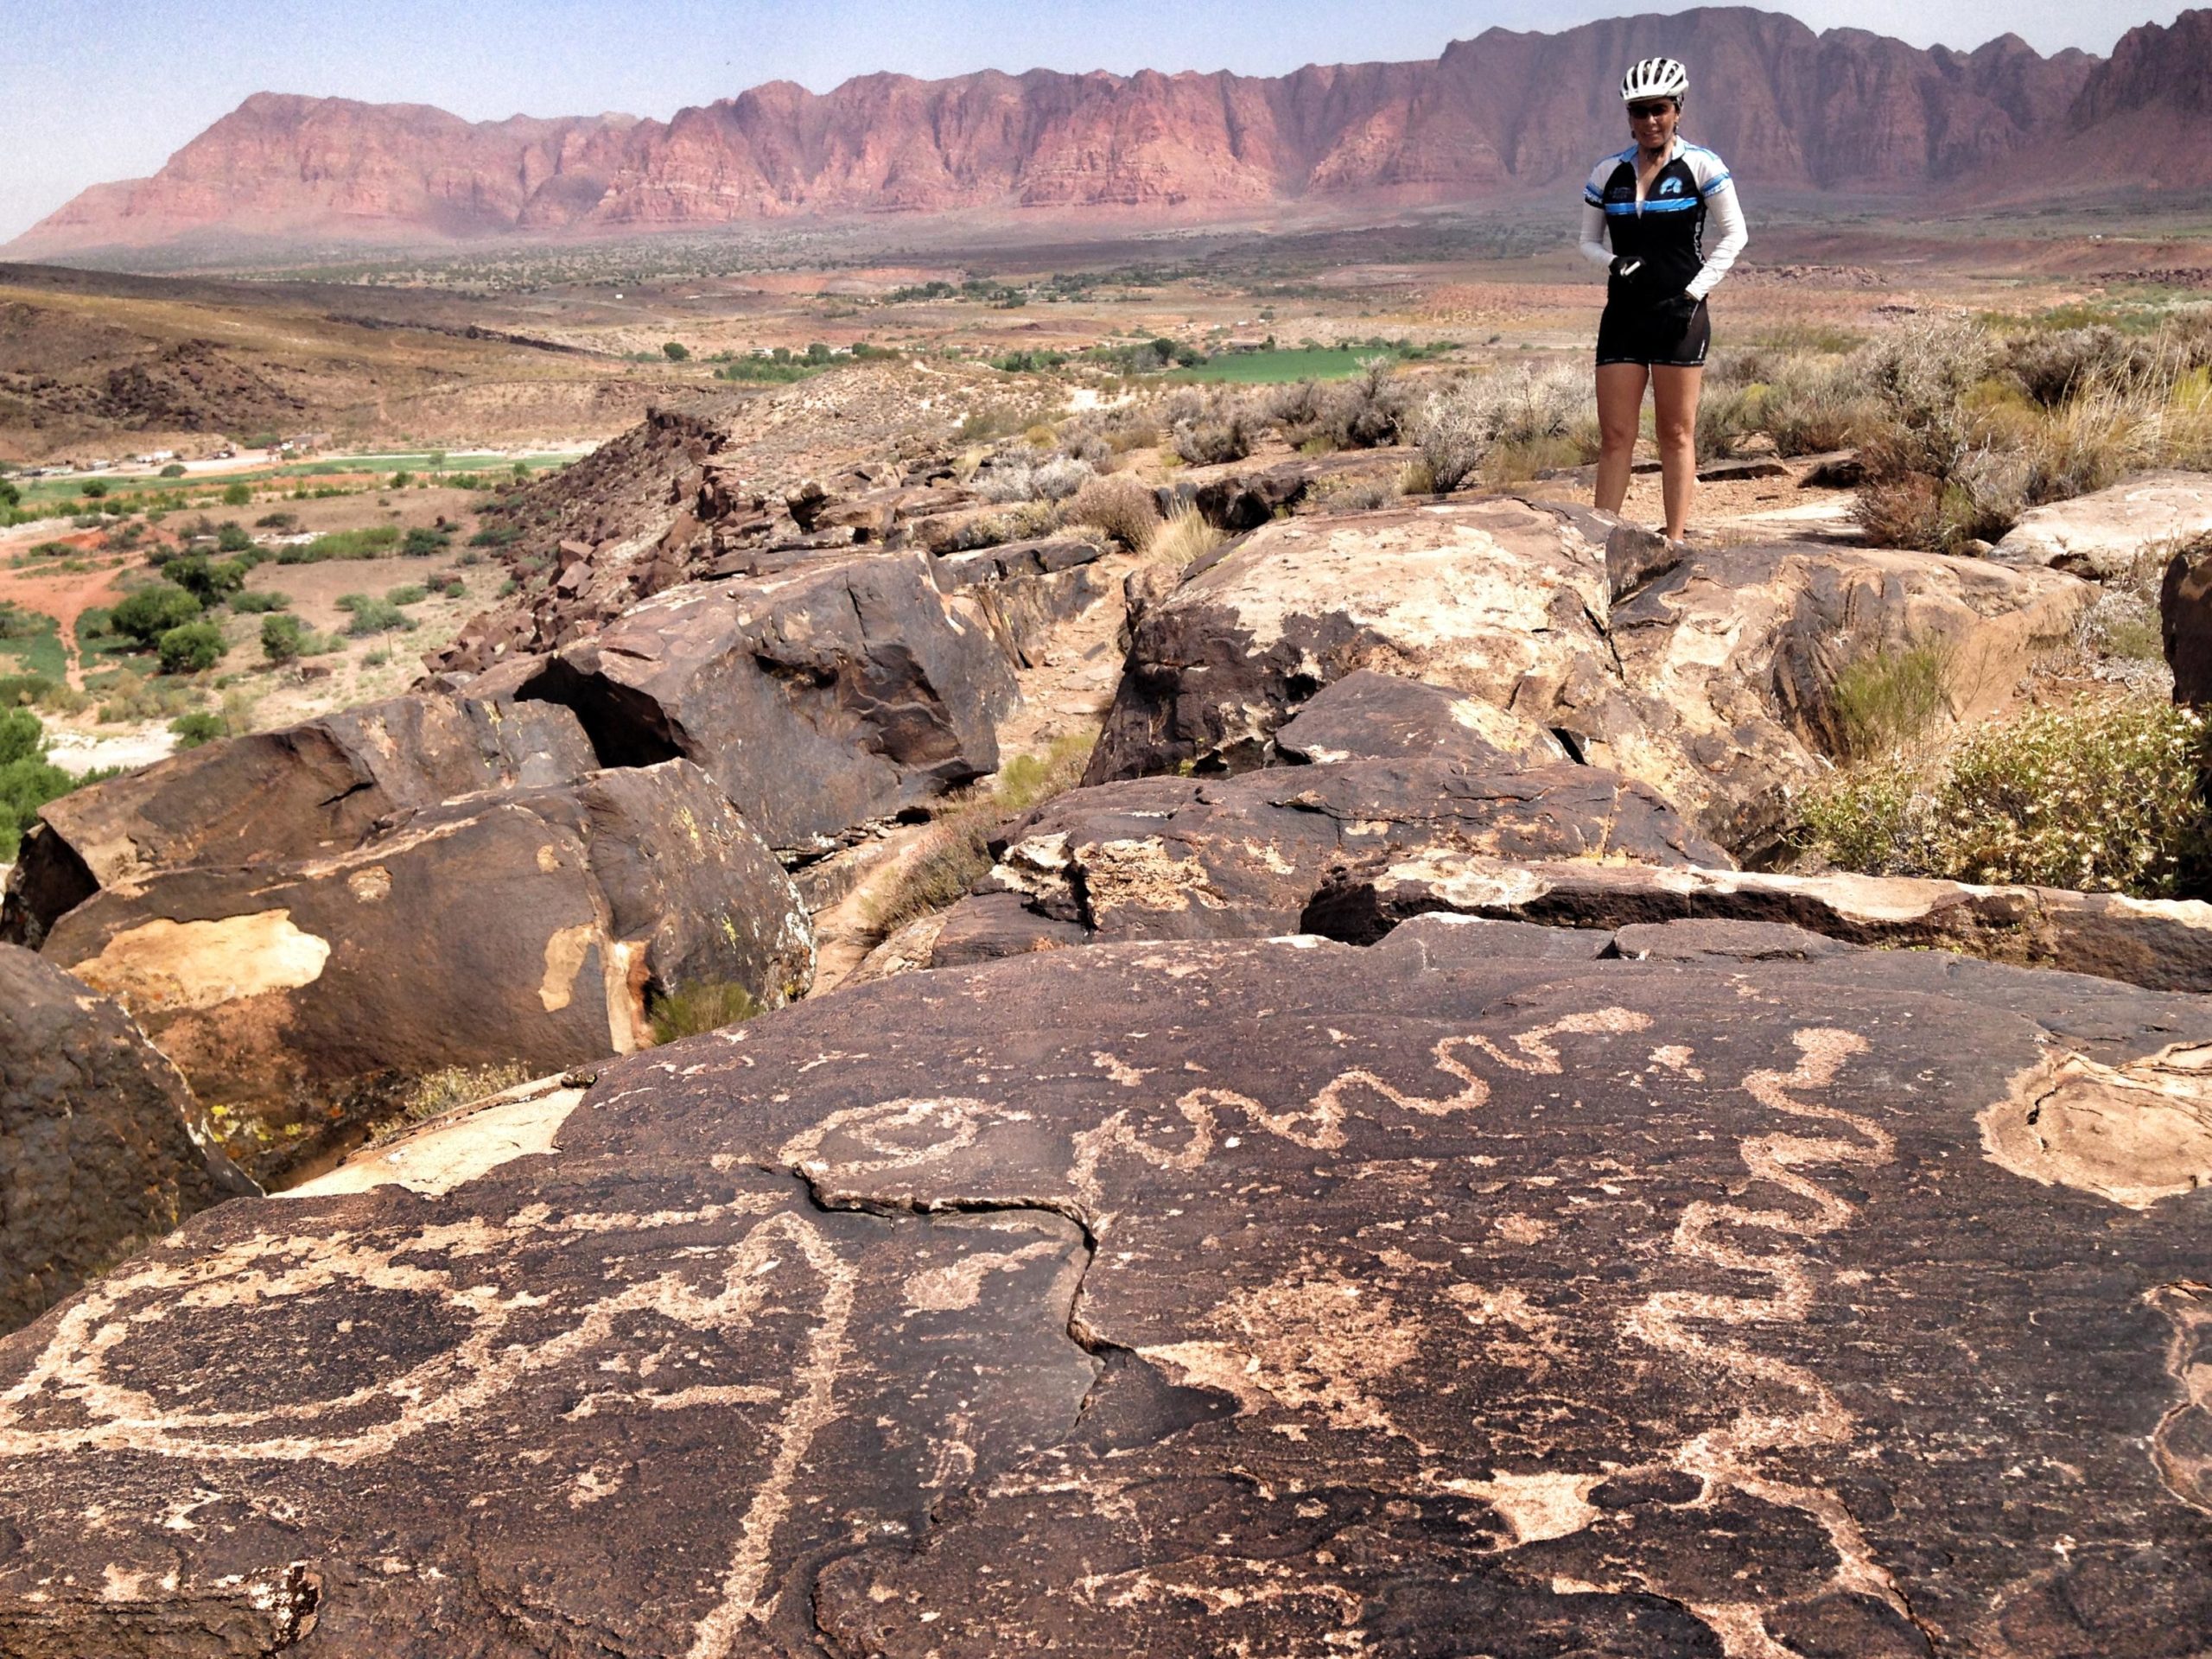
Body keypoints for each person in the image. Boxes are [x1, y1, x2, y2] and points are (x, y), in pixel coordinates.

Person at [1580, 57, 1747, 543]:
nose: (1649, 121)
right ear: (1627, 116)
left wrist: (1694, 292)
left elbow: (1735, 235)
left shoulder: (1701, 165)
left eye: (1659, 109)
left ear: (1678, 110)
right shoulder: (1608, 172)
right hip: (1624, 315)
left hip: (1681, 314)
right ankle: (1601, 542)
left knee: (1675, 434)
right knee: (1615, 438)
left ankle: (1674, 542)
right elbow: (1588, 242)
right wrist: (1612, 262)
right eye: (1639, 111)